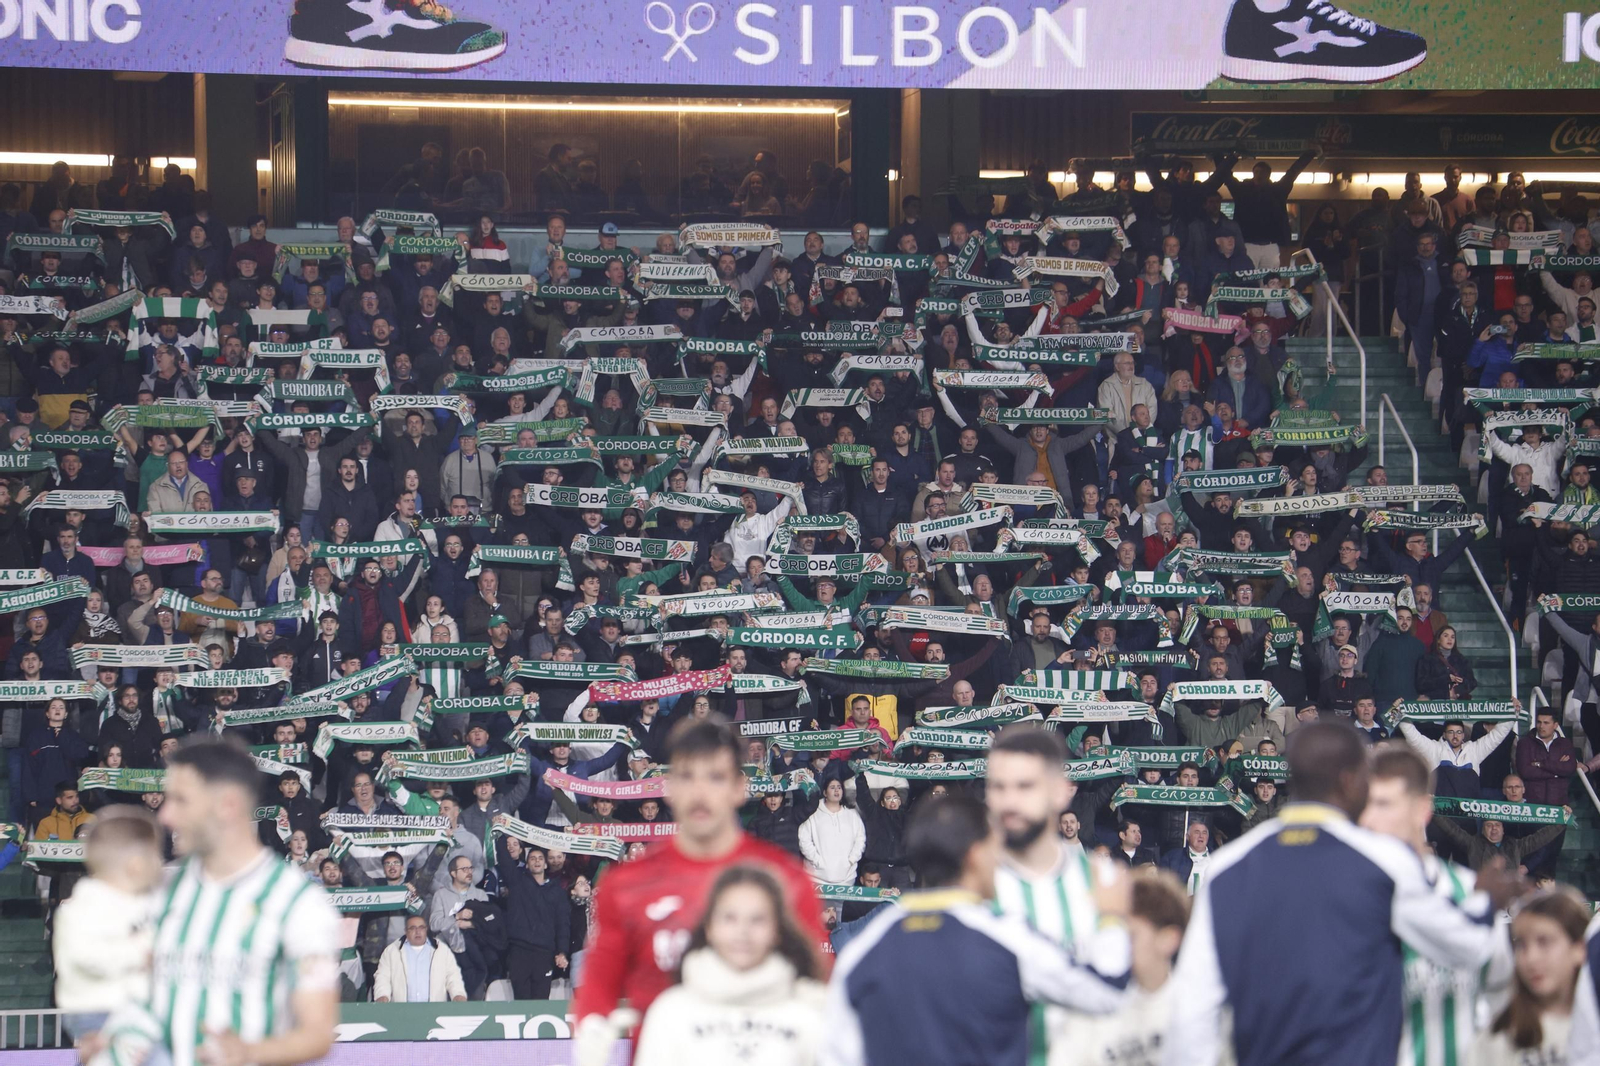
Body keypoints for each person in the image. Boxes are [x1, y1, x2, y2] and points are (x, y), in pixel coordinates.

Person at [1164, 722, 1515, 1066]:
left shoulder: (1228, 868)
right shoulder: (1384, 860)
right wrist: (1485, 901)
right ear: (1351, 781)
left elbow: (1192, 1007)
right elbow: (1465, 945)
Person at [572, 718, 825, 1060]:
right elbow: (598, 988)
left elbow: (815, 986)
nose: (701, 792)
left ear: (740, 787)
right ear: (670, 787)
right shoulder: (627, 885)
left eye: (716, 777)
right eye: (688, 776)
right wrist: (590, 1030)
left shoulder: (785, 881)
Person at [820, 794, 1132, 1066]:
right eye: (996, 847)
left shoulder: (866, 946)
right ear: (975, 855)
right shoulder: (1007, 937)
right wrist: (1112, 916)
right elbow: (1106, 992)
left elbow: (835, 1054)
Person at [112, 739, 340, 1066]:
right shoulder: (164, 890)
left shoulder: (297, 903)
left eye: (181, 800)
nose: (166, 814)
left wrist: (250, 1054)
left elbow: (317, 1034)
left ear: (227, 805)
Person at [1358, 744, 1513, 1066]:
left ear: (1422, 810)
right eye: (1363, 805)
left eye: (1384, 804)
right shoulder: (1346, 899)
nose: (1369, 818)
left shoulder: (1472, 890)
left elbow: (1500, 998)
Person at [987, 724, 1104, 1066]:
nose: (1010, 801)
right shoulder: (972, 889)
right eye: (998, 787)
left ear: (1059, 792)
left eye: (1025, 786)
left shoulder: (1106, 888)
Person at [634, 865, 827, 1066]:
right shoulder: (670, 1011)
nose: (743, 930)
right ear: (709, 927)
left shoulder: (810, 1013)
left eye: (757, 919)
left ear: (777, 930)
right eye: (729, 918)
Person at [1055, 871, 1190, 1066]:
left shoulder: (1198, 1005)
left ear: (1168, 939)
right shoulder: (1091, 1007)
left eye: (1130, 936)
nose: (1119, 945)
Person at [52, 808, 163, 1040]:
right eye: (154, 855)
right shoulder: (85, 905)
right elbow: (88, 956)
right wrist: (142, 952)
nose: (160, 862)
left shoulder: (142, 901)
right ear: (135, 864)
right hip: (99, 1012)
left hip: (135, 1009)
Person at [1471, 888, 1591, 1065]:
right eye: (1521, 945)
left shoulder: (1591, 1028)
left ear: (1579, 948)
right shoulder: (1499, 1037)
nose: (1530, 959)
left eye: (1544, 942)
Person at [373, 915, 468, 1003]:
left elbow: (453, 975)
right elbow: (382, 977)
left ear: (426, 930)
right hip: (401, 1011)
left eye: (421, 928)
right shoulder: (391, 951)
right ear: (406, 931)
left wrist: (458, 994)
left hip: (434, 1010)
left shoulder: (441, 950)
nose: (418, 932)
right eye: (413, 928)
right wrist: (382, 995)